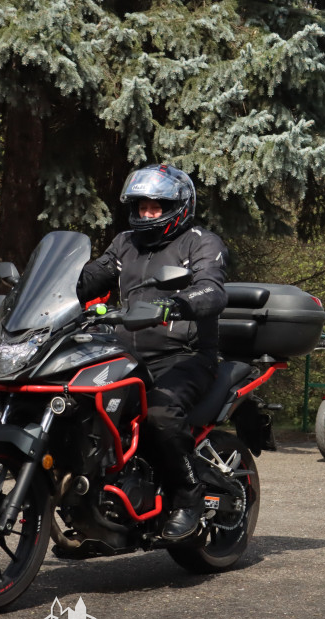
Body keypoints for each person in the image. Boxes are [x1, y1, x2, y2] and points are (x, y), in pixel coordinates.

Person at [78, 163, 228, 542]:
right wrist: (62, 287)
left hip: (185, 356)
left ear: (178, 206)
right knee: (80, 407)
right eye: (142, 206)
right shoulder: (125, 243)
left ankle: (189, 497)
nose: (147, 214)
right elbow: (90, 277)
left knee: (159, 414)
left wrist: (173, 305)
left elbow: (212, 290)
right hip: (124, 357)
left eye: (156, 207)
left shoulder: (200, 242)